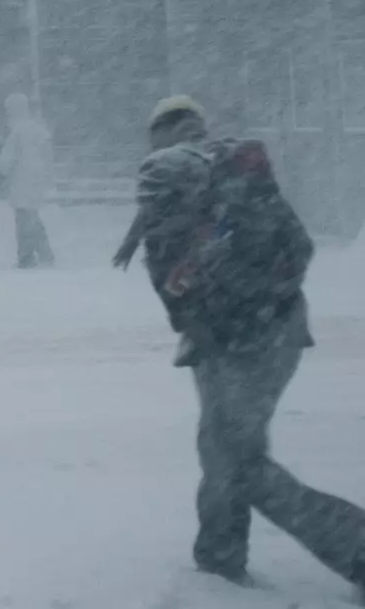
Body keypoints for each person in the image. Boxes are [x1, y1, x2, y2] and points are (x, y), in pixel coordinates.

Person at [117, 95, 365, 594]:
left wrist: (225, 308)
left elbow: (172, 287)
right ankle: (218, 556)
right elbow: (300, 245)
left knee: (238, 462)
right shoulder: (240, 170)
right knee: (224, 448)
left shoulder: (167, 180)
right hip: (275, 330)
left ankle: (354, 545)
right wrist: (266, 298)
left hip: (236, 340)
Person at [0, 93, 55, 269]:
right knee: (32, 218)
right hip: (36, 181)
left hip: (22, 181)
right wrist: (47, 176)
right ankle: (45, 254)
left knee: (23, 221)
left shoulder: (17, 131)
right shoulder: (38, 129)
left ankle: (26, 258)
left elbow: (7, 159)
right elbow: (48, 156)